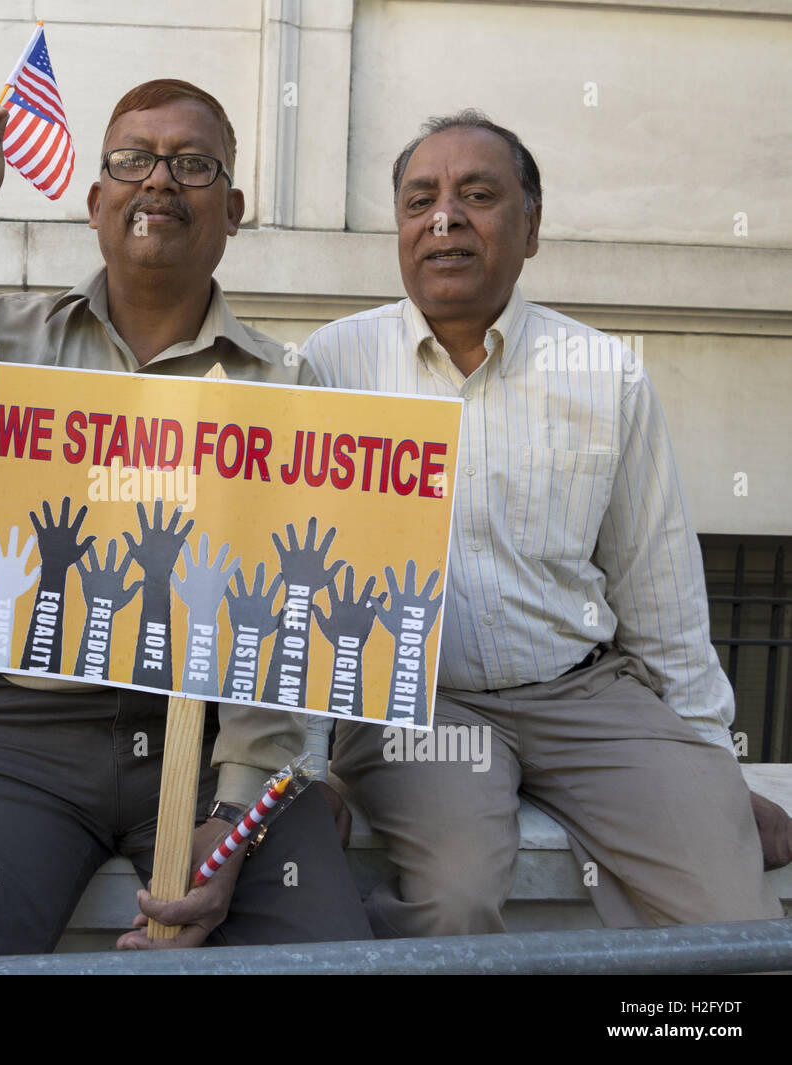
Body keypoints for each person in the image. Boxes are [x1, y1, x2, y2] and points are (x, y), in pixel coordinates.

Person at [0, 79, 371, 956]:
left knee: (321, 950)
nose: (159, 182)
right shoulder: (5, 341)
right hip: (11, 731)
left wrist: (236, 807)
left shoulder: (286, 387)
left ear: (234, 208)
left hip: (210, 725)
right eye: (133, 160)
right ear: (95, 199)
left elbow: (286, 623)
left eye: (193, 164)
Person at [302, 110, 790, 936]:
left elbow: (659, 585)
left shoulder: (606, 374)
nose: (444, 219)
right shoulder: (329, 367)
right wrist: (304, 767)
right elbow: (300, 585)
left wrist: (708, 764)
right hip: (422, 708)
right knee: (451, 901)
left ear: (532, 227)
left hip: (589, 695)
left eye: (478, 195)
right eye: (420, 200)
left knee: (727, 912)